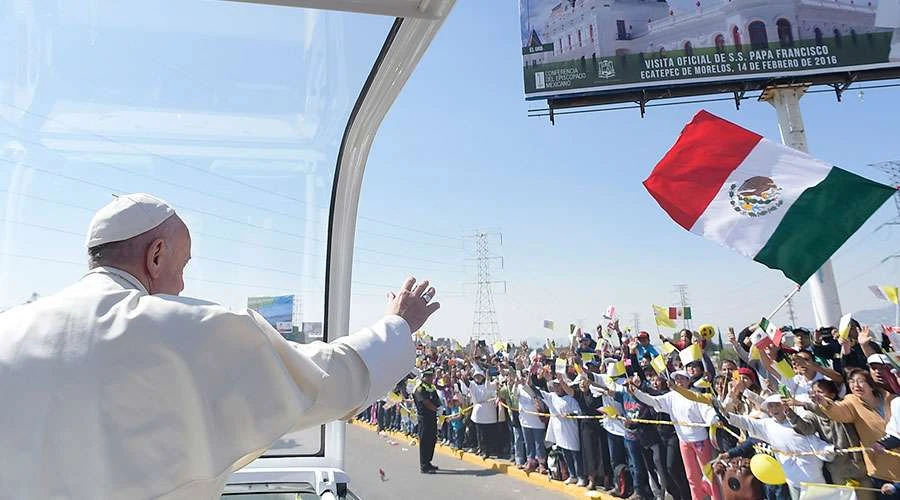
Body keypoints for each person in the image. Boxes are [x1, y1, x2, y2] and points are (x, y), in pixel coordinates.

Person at [0, 193, 442, 499]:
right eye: (182, 264)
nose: (183, 282)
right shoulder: (182, 330)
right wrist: (398, 326)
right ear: (155, 256)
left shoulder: (9, 329)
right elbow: (324, 378)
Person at [630, 369, 720, 500]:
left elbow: (707, 411)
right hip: (683, 441)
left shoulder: (696, 395)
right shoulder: (671, 397)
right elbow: (653, 401)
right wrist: (636, 392)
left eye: (682, 379)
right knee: (691, 477)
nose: (679, 381)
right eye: (677, 379)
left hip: (700, 441)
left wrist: (713, 419)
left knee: (708, 475)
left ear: (688, 381)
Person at [726, 395, 834, 499]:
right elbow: (746, 422)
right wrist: (727, 415)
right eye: (771, 406)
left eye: (777, 405)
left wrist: (830, 450)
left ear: (785, 406)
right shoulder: (766, 425)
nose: (774, 409)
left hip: (813, 479)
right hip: (793, 480)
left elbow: (817, 445)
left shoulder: (797, 423)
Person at [812, 368, 900, 493]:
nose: (855, 385)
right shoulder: (852, 401)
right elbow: (839, 411)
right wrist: (825, 404)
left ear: (871, 384)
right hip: (882, 468)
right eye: (852, 381)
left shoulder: (891, 399)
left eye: (860, 381)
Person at [414, 367, 442, 473]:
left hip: (432, 417)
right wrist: (436, 409)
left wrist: (439, 408)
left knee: (432, 439)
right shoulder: (420, 388)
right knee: (425, 441)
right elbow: (425, 402)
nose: (431, 378)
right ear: (424, 377)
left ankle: (428, 461)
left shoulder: (432, 387)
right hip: (424, 418)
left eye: (432, 376)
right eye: (429, 377)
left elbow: (436, 400)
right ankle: (424, 465)